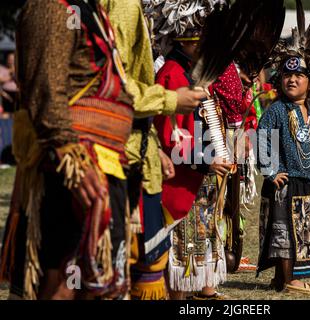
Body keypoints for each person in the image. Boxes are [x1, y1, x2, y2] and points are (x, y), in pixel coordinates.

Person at [0, 0, 135, 300]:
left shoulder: (90, 9)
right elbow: (46, 88)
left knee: (99, 281)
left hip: (103, 163)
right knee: (63, 283)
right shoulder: (52, 6)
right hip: (69, 170)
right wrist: (69, 151)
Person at [100, 0, 206, 300]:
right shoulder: (118, 7)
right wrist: (170, 101)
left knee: (146, 262)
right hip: (114, 156)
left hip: (141, 154)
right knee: (115, 265)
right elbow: (112, 84)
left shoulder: (127, 6)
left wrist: (153, 147)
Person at [149, 0, 232, 300]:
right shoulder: (172, 73)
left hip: (200, 180)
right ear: (189, 41)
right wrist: (207, 161)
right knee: (179, 255)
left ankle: (200, 295)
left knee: (197, 247)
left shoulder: (194, 75)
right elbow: (169, 138)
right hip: (180, 182)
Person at [256, 14, 310, 295]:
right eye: (287, 75)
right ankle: (289, 280)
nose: (292, 79)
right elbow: (262, 139)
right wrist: (270, 171)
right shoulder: (276, 111)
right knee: (282, 232)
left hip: (304, 183)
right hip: (283, 183)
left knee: (304, 233)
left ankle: (287, 278)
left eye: (298, 75)